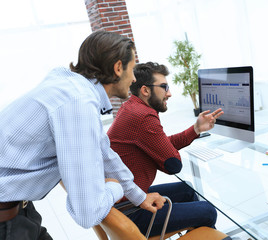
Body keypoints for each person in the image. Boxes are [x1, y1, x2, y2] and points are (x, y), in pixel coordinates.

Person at [0, 31, 165, 240]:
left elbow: (105, 152)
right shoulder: (78, 102)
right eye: (132, 70)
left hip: (18, 209)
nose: (133, 78)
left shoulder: (72, 87)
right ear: (117, 68)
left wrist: (138, 196)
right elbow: (88, 212)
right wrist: (113, 187)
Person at [107, 61, 224, 236]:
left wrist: (196, 129)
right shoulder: (143, 116)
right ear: (145, 90)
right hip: (131, 212)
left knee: (187, 190)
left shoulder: (131, 107)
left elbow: (160, 145)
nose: (169, 93)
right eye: (164, 87)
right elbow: (173, 165)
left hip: (125, 201)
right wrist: (163, 155)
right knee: (208, 210)